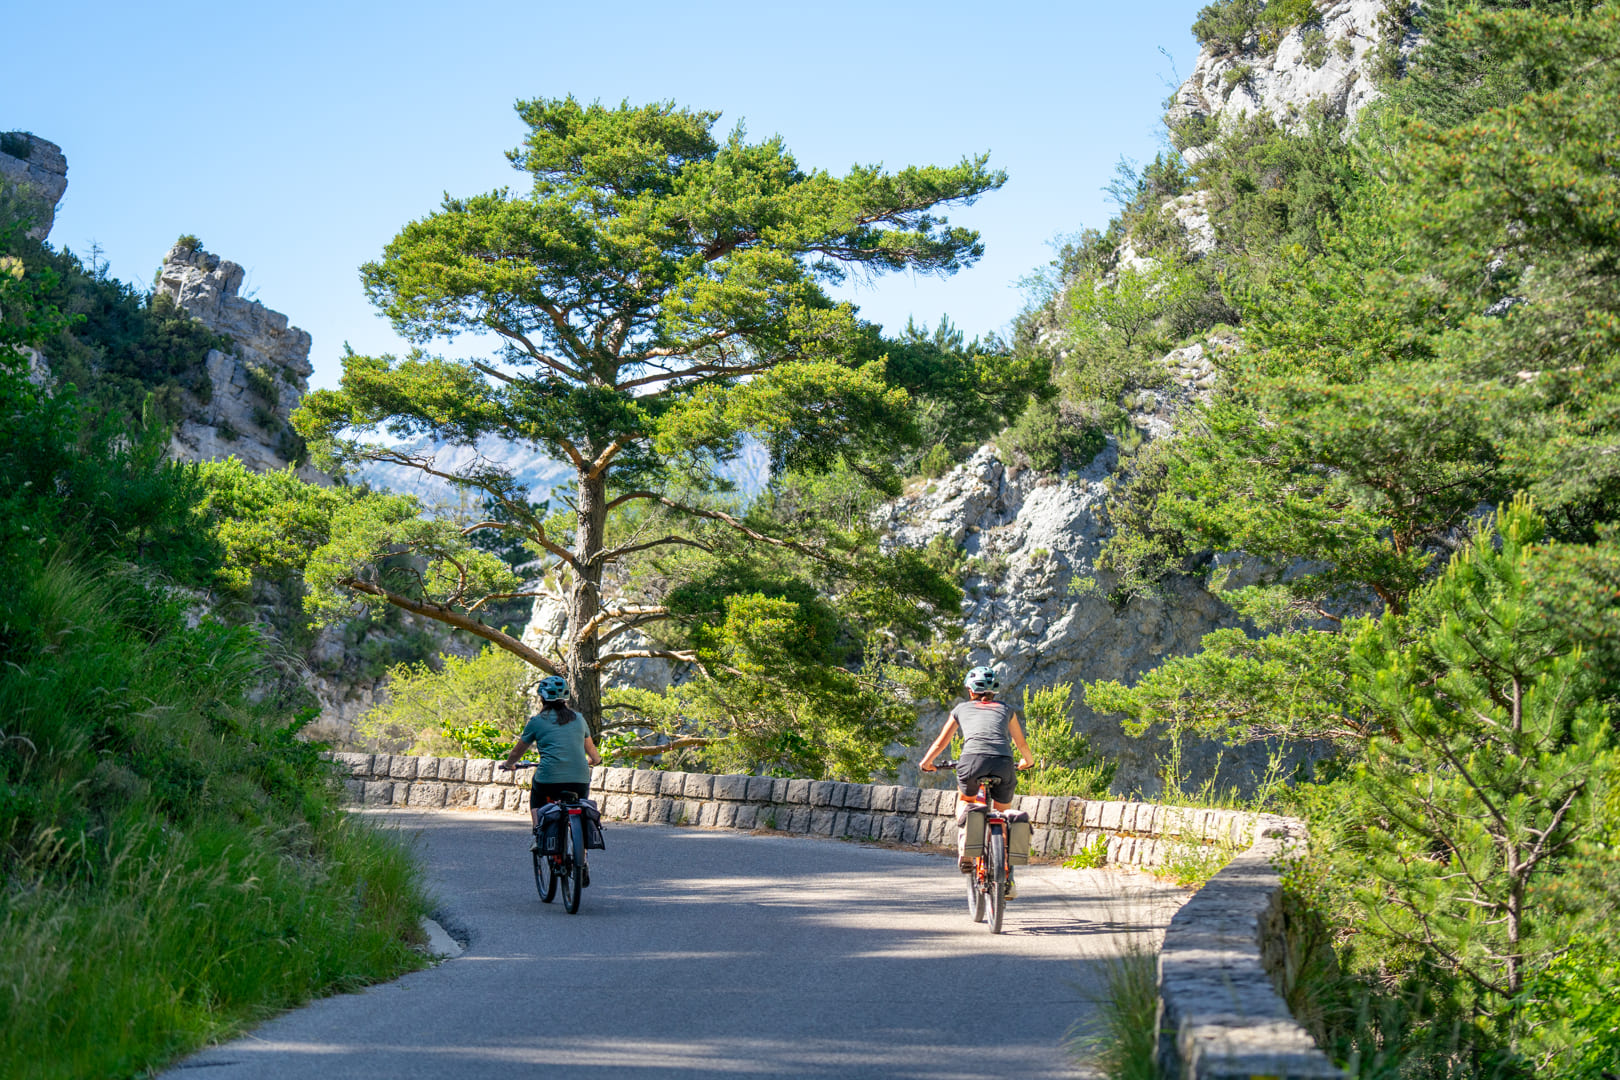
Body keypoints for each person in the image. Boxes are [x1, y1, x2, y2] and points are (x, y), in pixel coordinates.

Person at [919, 665, 1034, 895]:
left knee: (966, 801)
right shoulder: (1006, 710)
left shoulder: (961, 709)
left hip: (972, 762)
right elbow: (1021, 744)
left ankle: (967, 853)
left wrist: (926, 763)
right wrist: (1027, 762)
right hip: (1003, 763)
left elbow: (941, 743)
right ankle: (1006, 878)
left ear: (971, 691)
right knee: (1003, 814)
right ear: (995, 692)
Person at [498, 676, 604, 853]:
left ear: (542, 698)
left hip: (549, 780)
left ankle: (538, 835)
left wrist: (509, 764)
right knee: (580, 802)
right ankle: (582, 859)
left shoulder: (537, 722)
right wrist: (592, 761)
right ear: (565, 698)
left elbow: (517, 752)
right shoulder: (579, 719)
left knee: (537, 798)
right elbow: (594, 755)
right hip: (579, 779)